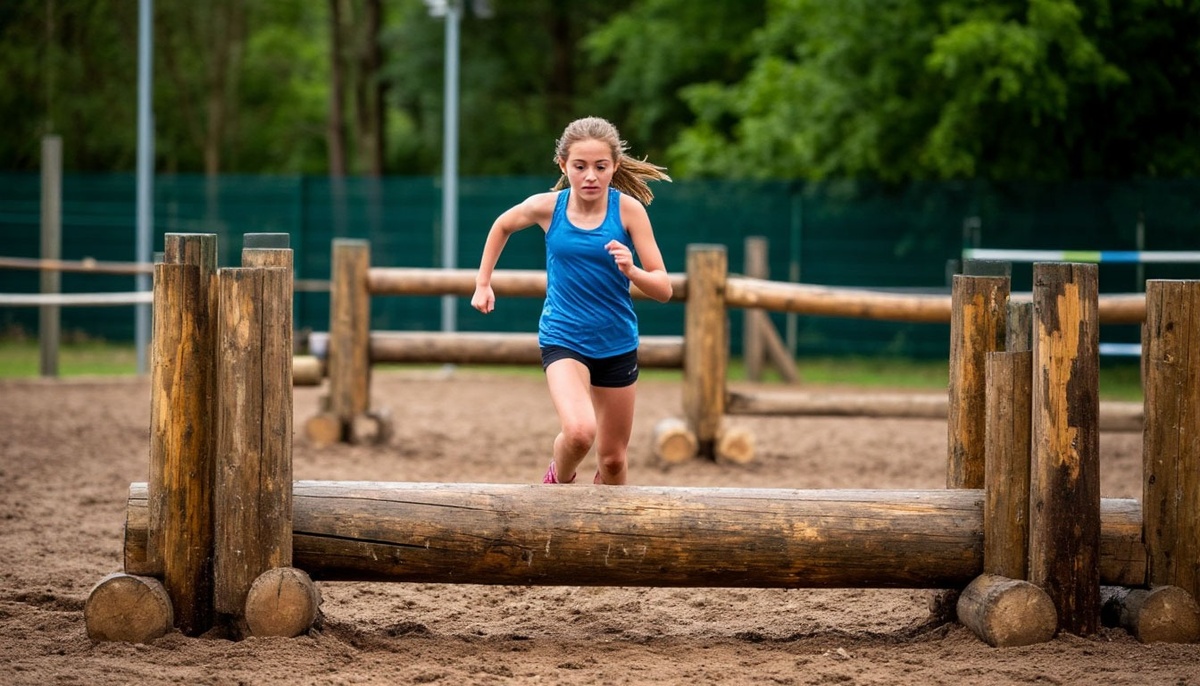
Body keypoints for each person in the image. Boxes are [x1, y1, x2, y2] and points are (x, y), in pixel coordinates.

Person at [470, 116, 673, 486]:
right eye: (580, 166)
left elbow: (664, 289)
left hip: (617, 342)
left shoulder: (629, 212)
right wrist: (483, 283)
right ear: (563, 165)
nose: (590, 176)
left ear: (614, 166)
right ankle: (557, 485)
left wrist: (634, 272)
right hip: (564, 338)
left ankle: (605, 539)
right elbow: (501, 225)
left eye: (600, 166)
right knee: (580, 432)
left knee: (612, 461)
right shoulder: (548, 208)